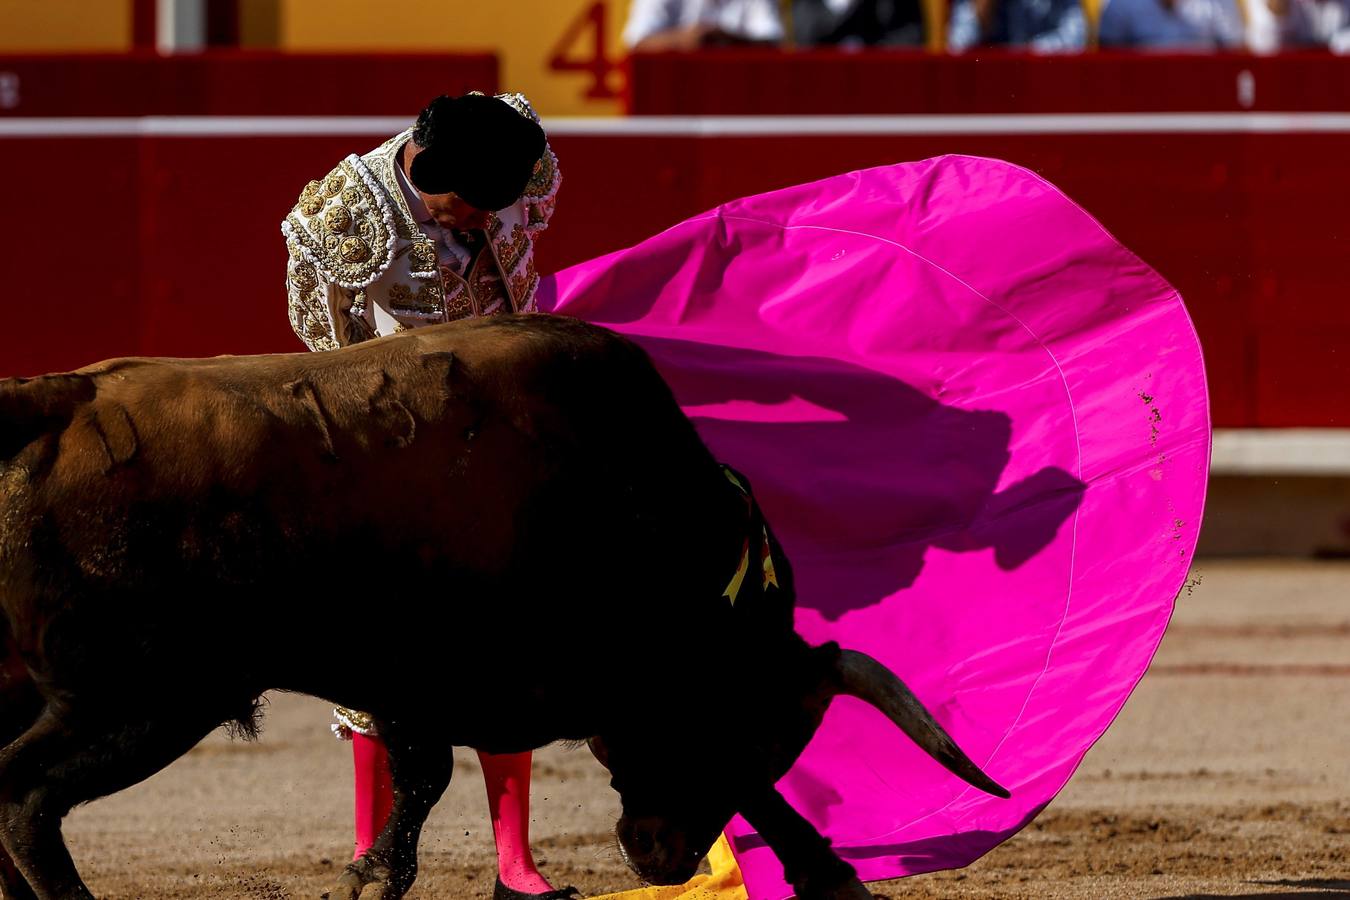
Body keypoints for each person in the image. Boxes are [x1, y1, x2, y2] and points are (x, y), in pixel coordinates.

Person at [280, 91, 569, 900]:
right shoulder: (340, 217)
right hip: (395, 436)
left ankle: (516, 861)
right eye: (468, 207)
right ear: (425, 175)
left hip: (505, 423)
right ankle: (373, 850)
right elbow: (324, 352)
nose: (484, 222)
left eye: (498, 205)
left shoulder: (522, 154)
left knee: (509, 638)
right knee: (375, 648)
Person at [1097, 0, 1246, 49]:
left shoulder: (1218, 3)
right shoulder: (1121, 4)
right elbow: (1108, 66)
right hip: (1139, 104)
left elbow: (1235, 58)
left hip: (1206, 102)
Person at [947, 0, 1088, 51]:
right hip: (990, 89)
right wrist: (981, 11)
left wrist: (1026, 52)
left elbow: (1077, 39)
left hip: (1045, 82)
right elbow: (956, 45)